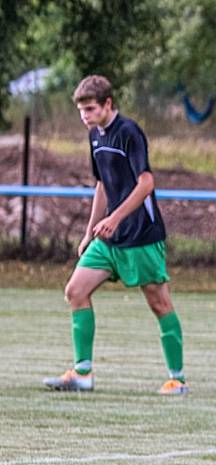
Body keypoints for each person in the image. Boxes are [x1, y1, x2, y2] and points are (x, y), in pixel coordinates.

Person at [43, 75, 189, 395]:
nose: (85, 116)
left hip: (141, 234)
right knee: (75, 291)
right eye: (81, 110)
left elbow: (146, 183)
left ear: (108, 104)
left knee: (159, 302)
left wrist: (115, 218)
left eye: (91, 109)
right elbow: (102, 186)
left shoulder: (129, 133)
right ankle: (82, 374)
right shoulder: (95, 136)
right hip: (109, 238)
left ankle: (177, 379)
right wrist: (89, 232)